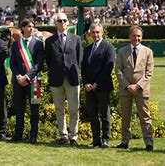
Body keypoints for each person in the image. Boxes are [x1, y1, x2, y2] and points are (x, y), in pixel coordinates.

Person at [44, 12, 83, 146]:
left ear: (68, 22)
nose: (63, 23)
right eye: (60, 21)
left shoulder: (76, 39)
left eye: (65, 20)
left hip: (72, 78)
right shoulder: (49, 41)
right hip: (56, 79)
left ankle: (73, 137)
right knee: (59, 109)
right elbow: (48, 60)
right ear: (55, 23)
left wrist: (76, 72)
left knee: (74, 109)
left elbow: (80, 59)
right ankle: (63, 135)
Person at [115, 26, 154, 151]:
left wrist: (138, 86)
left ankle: (149, 143)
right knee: (125, 117)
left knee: (145, 116)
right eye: (134, 35)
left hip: (142, 90)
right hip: (126, 89)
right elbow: (118, 70)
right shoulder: (122, 51)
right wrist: (127, 85)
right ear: (129, 36)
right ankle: (125, 141)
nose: (136, 38)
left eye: (139, 36)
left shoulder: (148, 52)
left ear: (141, 37)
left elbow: (149, 72)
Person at [9, 19, 43, 144]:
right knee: (19, 109)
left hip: (34, 82)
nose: (31, 28)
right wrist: (18, 76)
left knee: (34, 110)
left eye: (33, 27)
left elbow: (39, 64)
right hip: (18, 82)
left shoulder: (38, 44)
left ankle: (33, 135)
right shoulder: (15, 44)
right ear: (22, 28)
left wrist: (27, 77)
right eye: (29, 26)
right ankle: (18, 134)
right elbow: (12, 63)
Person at [81, 23, 115, 149]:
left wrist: (96, 83)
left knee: (104, 114)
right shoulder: (88, 48)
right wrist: (86, 83)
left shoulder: (108, 47)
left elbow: (108, 67)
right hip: (89, 88)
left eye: (97, 32)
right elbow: (83, 68)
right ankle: (95, 140)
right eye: (93, 32)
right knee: (93, 115)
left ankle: (105, 139)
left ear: (102, 33)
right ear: (90, 33)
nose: (95, 34)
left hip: (103, 86)